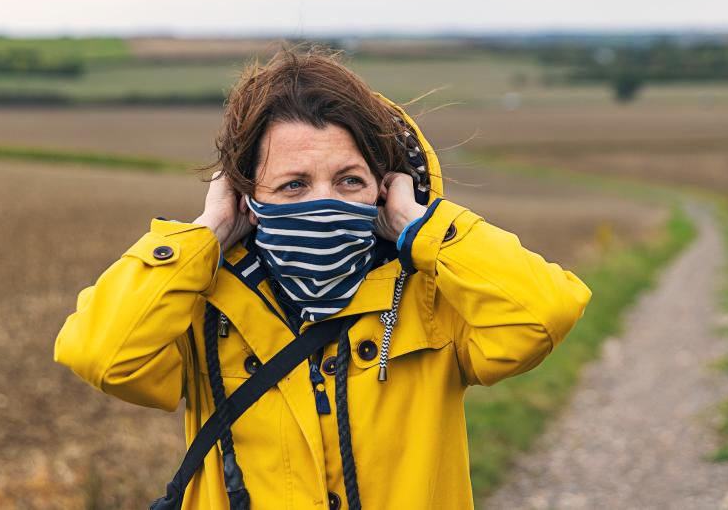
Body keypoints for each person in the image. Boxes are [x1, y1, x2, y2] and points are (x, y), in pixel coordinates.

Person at [54, 45, 593, 509]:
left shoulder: (430, 299)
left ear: (385, 187)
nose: (324, 204)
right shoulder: (206, 307)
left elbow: (542, 313)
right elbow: (103, 355)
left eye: (348, 180)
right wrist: (206, 233)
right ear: (248, 198)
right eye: (293, 185)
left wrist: (418, 227)